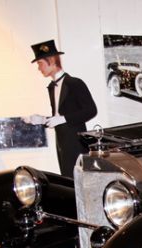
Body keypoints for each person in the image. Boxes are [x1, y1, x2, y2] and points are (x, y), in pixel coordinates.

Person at [26, 39, 97, 178]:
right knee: (68, 181)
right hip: (62, 144)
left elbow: (91, 110)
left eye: (40, 63)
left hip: (76, 144)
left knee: (79, 183)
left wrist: (62, 119)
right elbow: (58, 117)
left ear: (51, 61)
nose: (39, 68)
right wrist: (42, 120)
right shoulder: (52, 87)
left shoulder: (75, 83)